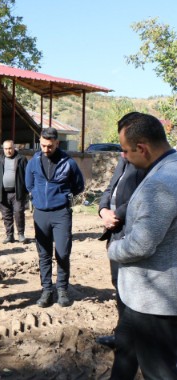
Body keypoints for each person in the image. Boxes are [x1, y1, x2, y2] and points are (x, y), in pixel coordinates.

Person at [107, 112, 177, 380]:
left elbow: (140, 245)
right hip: (139, 299)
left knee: (158, 372)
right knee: (125, 352)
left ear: (142, 148)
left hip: (155, 305)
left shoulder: (161, 183)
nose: (123, 157)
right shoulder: (170, 166)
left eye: (125, 151)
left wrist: (114, 249)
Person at [96, 120, 146, 351]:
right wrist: (103, 210)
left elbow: (139, 197)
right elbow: (109, 189)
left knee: (131, 288)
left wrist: (116, 215)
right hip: (113, 231)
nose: (122, 151)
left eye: (125, 146)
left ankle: (131, 338)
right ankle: (122, 335)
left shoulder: (146, 164)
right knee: (118, 284)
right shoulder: (123, 159)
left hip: (129, 233)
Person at [25, 127, 84, 308]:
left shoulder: (69, 162)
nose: (45, 149)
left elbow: (78, 186)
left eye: (49, 146)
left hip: (61, 214)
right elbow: (29, 184)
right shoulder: (33, 162)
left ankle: (62, 289)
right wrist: (38, 197)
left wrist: (62, 196)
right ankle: (46, 290)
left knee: (63, 252)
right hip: (41, 213)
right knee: (43, 253)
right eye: (42, 145)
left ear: (57, 143)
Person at [0, 140, 29, 244]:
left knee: (19, 212)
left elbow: (28, 175)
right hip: (3, 192)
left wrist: (29, 190)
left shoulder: (21, 159)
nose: (8, 151)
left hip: (17, 192)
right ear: (3, 149)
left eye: (10, 148)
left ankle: (21, 234)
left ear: (14, 148)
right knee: (6, 215)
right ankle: (9, 236)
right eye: (6, 149)